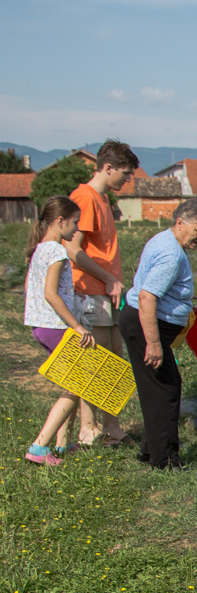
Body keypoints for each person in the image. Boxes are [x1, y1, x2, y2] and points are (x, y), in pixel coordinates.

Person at [118, 197, 197, 471]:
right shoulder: (171, 254)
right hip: (146, 326)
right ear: (180, 222)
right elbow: (148, 296)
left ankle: (151, 452)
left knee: (160, 388)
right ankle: (165, 461)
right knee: (164, 391)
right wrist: (153, 343)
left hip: (143, 323)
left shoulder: (164, 240)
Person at [68, 140, 137, 446]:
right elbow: (72, 249)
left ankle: (111, 427)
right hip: (89, 290)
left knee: (113, 360)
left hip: (106, 292)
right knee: (94, 361)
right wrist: (108, 277)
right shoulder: (84, 198)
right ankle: (87, 428)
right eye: (125, 172)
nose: (128, 179)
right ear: (107, 168)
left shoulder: (103, 199)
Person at [22, 197, 97, 465]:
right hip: (55, 327)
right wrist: (76, 325)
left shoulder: (40, 249)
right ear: (60, 221)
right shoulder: (55, 251)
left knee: (71, 383)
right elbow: (51, 295)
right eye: (74, 222)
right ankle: (39, 447)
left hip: (41, 326)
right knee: (76, 386)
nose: (77, 229)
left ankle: (62, 444)